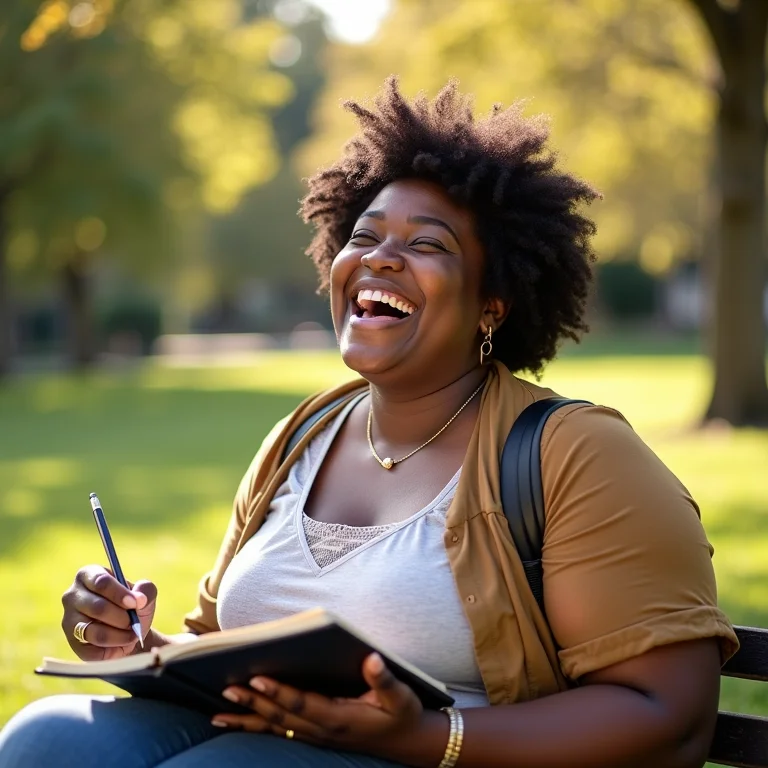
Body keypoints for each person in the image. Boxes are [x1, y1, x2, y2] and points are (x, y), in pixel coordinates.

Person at [0, 78, 738, 768]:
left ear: (492, 306)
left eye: (427, 245)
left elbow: (671, 714)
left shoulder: (572, 454)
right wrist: (136, 645)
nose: (380, 259)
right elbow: (223, 653)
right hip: (267, 744)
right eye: (365, 235)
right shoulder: (301, 436)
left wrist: (429, 736)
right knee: (45, 740)